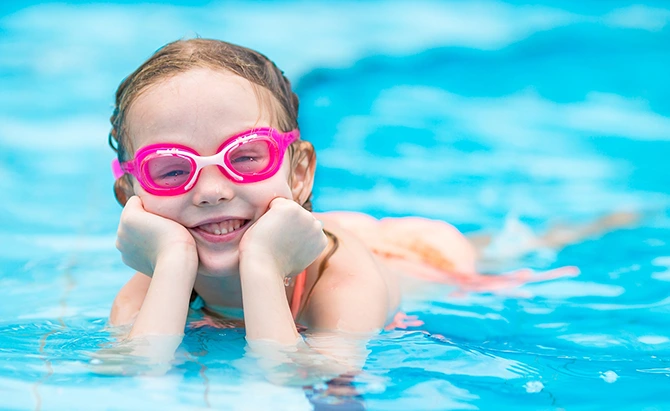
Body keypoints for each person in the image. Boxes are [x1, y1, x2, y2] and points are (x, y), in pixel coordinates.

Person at [106, 39, 635, 379]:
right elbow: (130, 379)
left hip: (415, 256)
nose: (212, 189)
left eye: (246, 156)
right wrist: (174, 264)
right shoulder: (152, 281)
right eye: (171, 169)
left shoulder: (343, 283)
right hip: (312, 231)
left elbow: (294, 383)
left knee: (519, 250)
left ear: (298, 172)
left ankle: (610, 219)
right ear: (133, 197)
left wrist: (262, 267)